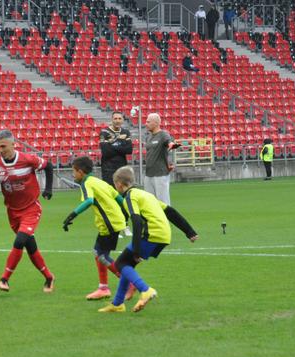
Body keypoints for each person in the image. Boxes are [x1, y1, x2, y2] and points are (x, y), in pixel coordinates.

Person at [98, 166, 198, 313]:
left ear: (118, 184)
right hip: (163, 234)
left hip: (152, 234)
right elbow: (170, 211)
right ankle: (117, 304)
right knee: (127, 264)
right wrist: (189, 232)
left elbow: (137, 222)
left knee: (121, 263)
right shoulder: (144, 194)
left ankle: (145, 290)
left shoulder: (129, 197)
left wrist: (137, 251)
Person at [0, 130, 55, 293]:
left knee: (20, 241)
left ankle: (5, 279)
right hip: (12, 212)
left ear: (13, 144)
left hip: (31, 208)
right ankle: (49, 277)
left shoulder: (27, 159)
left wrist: (48, 189)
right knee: (30, 247)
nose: (0, 150)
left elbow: (49, 166)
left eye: (3, 146)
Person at [62, 156, 136, 301]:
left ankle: (128, 283)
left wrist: (72, 215)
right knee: (98, 252)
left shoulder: (87, 183)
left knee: (101, 255)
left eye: (74, 171)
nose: (73, 175)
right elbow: (118, 197)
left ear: (81, 172)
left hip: (109, 224)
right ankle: (103, 288)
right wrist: (129, 212)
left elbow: (89, 201)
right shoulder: (99, 182)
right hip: (113, 221)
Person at [144, 113, 181, 205]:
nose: (146, 123)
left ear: (156, 123)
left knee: (163, 202)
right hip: (148, 174)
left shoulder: (163, 134)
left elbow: (169, 142)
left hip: (160, 174)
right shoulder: (148, 137)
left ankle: (165, 219)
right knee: (149, 203)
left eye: (148, 122)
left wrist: (171, 145)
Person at [99, 111, 133, 186]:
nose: (117, 121)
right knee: (110, 192)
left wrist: (111, 144)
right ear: (112, 120)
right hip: (108, 169)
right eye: (115, 118)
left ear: (123, 120)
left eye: (119, 118)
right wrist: (120, 141)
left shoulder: (126, 132)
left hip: (122, 168)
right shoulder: (104, 132)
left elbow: (129, 150)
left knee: (123, 192)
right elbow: (106, 151)